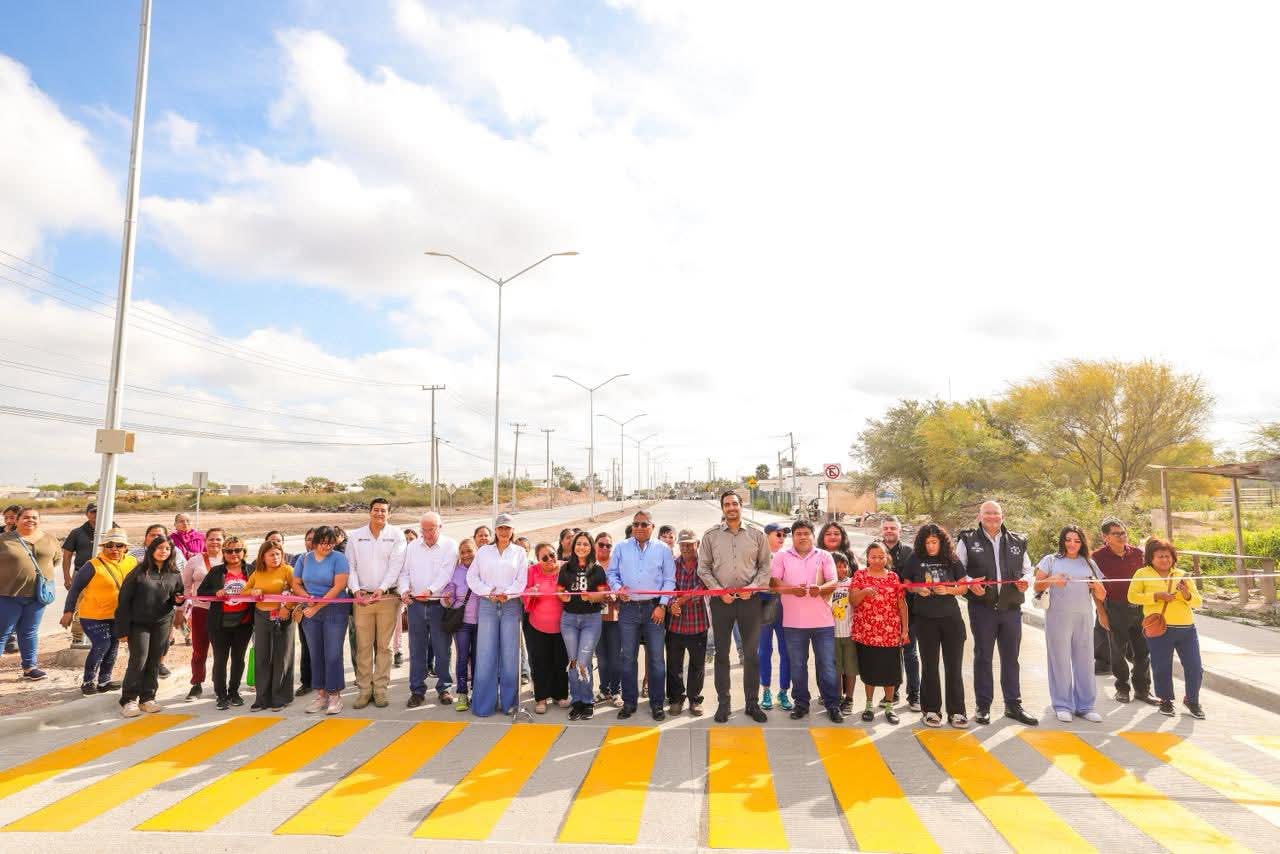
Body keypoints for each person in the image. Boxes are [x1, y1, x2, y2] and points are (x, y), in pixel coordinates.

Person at [956, 501, 1039, 727]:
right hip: (982, 609)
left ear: (1002, 516)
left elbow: (1028, 569)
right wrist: (971, 582)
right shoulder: (967, 540)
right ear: (980, 516)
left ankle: (1014, 705)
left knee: (1011, 658)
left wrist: (1026, 581)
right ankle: (983, 706)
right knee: (983, 657)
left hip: (1011, 608)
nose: (992, 517)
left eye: (996, 514)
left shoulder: (1017, 541)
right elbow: (958, 570)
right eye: (988, 513)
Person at [698, 490, 771, 724]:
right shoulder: (710, 537)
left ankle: (752, 703)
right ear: (722, 508)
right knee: (721, 655)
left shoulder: (756, 535)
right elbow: (704, 569)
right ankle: (724, 704)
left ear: (741, 506)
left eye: (735, 504)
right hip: (722, 602)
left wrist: (752, 588)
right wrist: (720, 591)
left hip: (750, 602)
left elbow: (765, 568)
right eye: (727, 504)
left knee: (751, 655)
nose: (731, 507)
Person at [769, 519, 843, 723]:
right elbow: (774, 582)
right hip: (793, 624)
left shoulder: (824, 555)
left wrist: (822, 589)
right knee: (798, 666)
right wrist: (791, 589)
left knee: (827, 665)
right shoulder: (782, 556)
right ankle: (801, 703)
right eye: (798, 533)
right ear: (793, 536)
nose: (802, 536)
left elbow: (834, 581)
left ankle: (832, 704)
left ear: (812, 535)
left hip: (823, 623)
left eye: (806, 533)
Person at [1034, 525, 1107, 723]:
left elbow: (1101, 595)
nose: (1072, 544)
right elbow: (1036, 585)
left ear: (1082, 542)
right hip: (1057, 617)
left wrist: (1097, 587)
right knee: (1060, 661)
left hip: (1083, 617)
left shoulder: (1089, 563)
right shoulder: (1050, 560)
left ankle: (1085, 706)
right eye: (1068, 539)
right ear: (1062, 541)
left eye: (1076, 540)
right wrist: (1052, 580)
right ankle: (1062, 704)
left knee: (1084, 660)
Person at [608, 509, 676, 721]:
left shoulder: (663, 549)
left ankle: (657, 703)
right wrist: (618, 587)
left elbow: (669, 580)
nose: (639, 528)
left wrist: (662, 605)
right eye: (636, 524)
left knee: (656, 658)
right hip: (628, 609)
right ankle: (629, 702)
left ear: (652, 527)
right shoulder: (621, 547)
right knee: (627, 657)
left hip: (653, 609)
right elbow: (612, 574)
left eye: (644, 524)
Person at [1128, 538, 1205, 719]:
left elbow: (1198, 602)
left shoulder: (1182, 574)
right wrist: (1156, 596)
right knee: (1162, 666)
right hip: (1159, 629)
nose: (1165, 560)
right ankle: (1165, 700)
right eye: (1160, 556)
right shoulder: (1142, 573)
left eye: (1168, 556)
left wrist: (1186, 595)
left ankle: (1192, 700)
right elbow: (1132, 596)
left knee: (1195, 667)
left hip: (1186, 629)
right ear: (1151, 558)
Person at [901, 524, 969, 728]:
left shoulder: (952, 559)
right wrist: (917, 589)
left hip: (951, 620)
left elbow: (964, 587)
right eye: (927, 542)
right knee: (930, 666)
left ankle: (957, 712)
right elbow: (905, 583)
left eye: (934, 542)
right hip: (925, 620)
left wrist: (948, 591)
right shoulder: (915, 559)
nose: (930, 546)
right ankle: (931, 710)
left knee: (953, 666)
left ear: (942, 542)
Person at [345, 498, 407, 709]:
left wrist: (382, 588)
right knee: (363, 646)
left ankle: (380, 690)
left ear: (389, 514)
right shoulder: (356, 536)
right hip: (362, 599)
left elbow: (396, 565)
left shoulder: (396, 535)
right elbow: (350, 567)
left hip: (387, 598)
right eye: (376, 510)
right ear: (369, 512)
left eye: (383, 511)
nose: (379, 513)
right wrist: (355, 590)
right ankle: (364, 690)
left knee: (384, 647)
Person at [114, 534, 184, 716]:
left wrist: (178, 600)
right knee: (139, 660)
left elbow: (177, 597)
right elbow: (123, 602)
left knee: (154, 660)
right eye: (160, 548)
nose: (163, 551)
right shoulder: (138, 572)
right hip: (139, 624)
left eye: (167, 549)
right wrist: (122, 629)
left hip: (161, 624)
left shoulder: (174, 574)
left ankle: (147, 698)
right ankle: (129, 700)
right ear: (151, 550)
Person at [62, 526, 134, 695]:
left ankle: (104, 681)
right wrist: (68, 612)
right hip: (93, 616)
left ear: (125, 547)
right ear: (103, 547)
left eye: (119, 545)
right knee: (102, 644)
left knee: (113, 647)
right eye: (109, 545)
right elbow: (75, 589)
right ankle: (88, 682)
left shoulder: (131, 562)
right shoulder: (92, 565)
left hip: (117, 616)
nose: (114, 549)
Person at [468, 514, 527, 717]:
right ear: (495, 530)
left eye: (507, 528)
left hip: (510, 605)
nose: (504, 532)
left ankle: (510, 703)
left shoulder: (519, 552)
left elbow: (522, 580)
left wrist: (507, 594)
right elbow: (472, 577)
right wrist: (489, 592)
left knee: (510, 656)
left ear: (512, 531)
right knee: (485, 655)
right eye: (500, 528)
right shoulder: (484, 551)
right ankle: (484, 705)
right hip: (487, 605)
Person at [1093, 519, 1157, 705]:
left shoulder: (1138, 554)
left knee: (1143, 651)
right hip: (1114, 608)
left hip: (1140, 608)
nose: (1122, 537)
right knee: (1118, 651)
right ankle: (1122, 688)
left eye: (1123, 533)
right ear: (1105, 537)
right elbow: (1093, 586)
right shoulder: (1097, 557)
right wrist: (1101, 612)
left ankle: (1143, 690)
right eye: (1116, 534)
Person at [398, 511, 458, 708]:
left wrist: (430, 590)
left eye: (430, 529)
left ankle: (444, 688)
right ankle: (417, 690)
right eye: (423, 530)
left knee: (442, 649)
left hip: (438, 606)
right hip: (415, 606)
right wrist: (405, 590)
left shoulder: (450, 546)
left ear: (440, 527)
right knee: (416, 650)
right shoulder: (412, 547)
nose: (426, 534)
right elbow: (404, 573)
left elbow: (446, 573)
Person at [291, 526, 351, 715]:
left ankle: (335, 695)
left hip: (334, 609)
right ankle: (321, 694)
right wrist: (307, 598)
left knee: (332, 653)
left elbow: (339, 586)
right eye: (323, 543)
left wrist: (316, 606)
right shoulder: (304, 558)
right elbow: (296, 583)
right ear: (315, 542)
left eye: (331, 543)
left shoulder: (339, 558)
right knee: (315, 653)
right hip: (311, 610)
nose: (327, 547)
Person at [850, 541, 908, 724]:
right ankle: (868, 706)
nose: (877, 560)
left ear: (887, 557)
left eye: (881, 556)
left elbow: (901, 604)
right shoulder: (859, 576)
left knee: (890, 672)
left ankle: (889, 707)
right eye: (873, 557)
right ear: (867, 558)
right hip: (867, 632)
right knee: (871, 671)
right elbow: (853, 601)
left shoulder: (893, 577)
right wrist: (865, 591)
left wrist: (905, 628)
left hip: (890, 633)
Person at [0, 507, 60, 680]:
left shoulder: (50, 539)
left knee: (29, 632)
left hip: (37, 596)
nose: (30, 520)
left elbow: (55, 560)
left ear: (39, 520)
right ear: (17, 520)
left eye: (34, 517)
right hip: (8, 594)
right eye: (25, 517)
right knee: (3, 632)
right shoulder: (4, 539)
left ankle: (30, 668)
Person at [197, 535, 255, 710]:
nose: (233, 554)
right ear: (224, 553)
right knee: (220, 660)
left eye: (237, 550)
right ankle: (221, 695)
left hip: (243, 623)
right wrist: (217, 591)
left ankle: (234, 692)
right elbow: (201, 592)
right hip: (219, 624)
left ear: (244, 552)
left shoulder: (251, 570)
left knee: (238, 659)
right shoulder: (216, 572)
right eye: (229, 551)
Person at [558, 531, 609, 721]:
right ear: (573, 547)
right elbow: (559, 591)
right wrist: (563, 596)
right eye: (578, 544)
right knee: (572, 661)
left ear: (591, 548)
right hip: (569, 619)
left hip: (591, 620)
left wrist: (591, 596)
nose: (581, 547)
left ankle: (588, 700)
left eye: (586, 544)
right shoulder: (565, 569)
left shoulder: (597, 569)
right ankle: (577, 700)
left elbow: (603, 594)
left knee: (583, 661)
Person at [244, 540, 296, 712]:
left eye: (278, 554)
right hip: (261, 617)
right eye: (271, 554)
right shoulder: (257, 573)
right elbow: (244, 592)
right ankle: (262, 698)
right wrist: (253, 591)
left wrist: (287, 608)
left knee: (282, 657)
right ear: (263, 557)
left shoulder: (288, 570)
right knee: (262, 657)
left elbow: (297, 591)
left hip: (283, 617)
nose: (275, 558)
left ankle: (280, 697)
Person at [130, 523, 186, 679]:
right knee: (140, 649)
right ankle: (136, 679)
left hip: (165, 608)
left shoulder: (175, 553)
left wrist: (180, 603)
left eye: (160, 535)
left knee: (164, 642)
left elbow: (181, 578)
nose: (156, 538)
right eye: (152, 535)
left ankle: (159, 664)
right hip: (140, 610)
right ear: (145, 537)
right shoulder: (134, 555)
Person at [665, 529, 709, 717]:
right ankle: (676, 699)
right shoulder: (672, 565)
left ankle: (694, 699)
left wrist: (681, 600)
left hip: (698, 623)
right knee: (674, 664)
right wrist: (670, 604)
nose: (686, 548)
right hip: (676, 625)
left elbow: (705, 586)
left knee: (697, 665)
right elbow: (666, 586)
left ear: (697, 544)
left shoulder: (704, 565)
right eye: (683, 544)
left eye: (690, 544)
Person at [524, 543, 569, 713]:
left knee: (560, 661)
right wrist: (531, 592)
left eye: (552, 555)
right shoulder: (532, 571)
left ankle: (560, 695)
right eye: (545, 558)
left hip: (563, 624)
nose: (550, 559)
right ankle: (541, 698)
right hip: (539, 624)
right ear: (538, 560)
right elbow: (525, 592)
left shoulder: (565, 567)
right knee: (540, 662)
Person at [881, 516, 920, 712]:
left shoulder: (910, 553)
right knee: (890, 656)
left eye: (893, 528)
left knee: (910, 654)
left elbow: (914, 581)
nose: (889, 531)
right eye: (886, 528)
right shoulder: (876, 551)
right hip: (884, 614)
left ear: (899, 530)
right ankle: (892, 693)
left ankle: (914, 695)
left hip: (909, 612)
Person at [181, 527, 223, 700]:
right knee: (199, 650)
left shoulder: (231, 560)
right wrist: (183, 609)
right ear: (205, 541)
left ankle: (219, 685)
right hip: (200, 610)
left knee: (221, 650)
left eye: (218, 539)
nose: (215, 542)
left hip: (223, 612)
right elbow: (186, 586)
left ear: (224, 541)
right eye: (211, 539)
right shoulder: (195, 560)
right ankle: (197, 684)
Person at [757, 522, 793, 713]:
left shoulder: (788, 555)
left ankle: (784, 691)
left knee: (786, 650)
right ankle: (766, 691)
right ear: (767, 536)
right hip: (763, 602)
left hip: (784, 603)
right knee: (764, 650)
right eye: (778, 534)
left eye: (784, 535)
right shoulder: (757, 554)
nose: (781, 538)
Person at [442, 538, 479, 711]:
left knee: (480, 659)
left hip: (482, 623)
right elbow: (447, 596)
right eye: (462, 552)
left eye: (469, 551)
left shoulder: (483, 569)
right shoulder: (455, 572)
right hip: (462, 623)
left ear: (476, 551)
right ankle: (462, 694)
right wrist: (446, 598)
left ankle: (478, 692)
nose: (466, 555)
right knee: (463, 657)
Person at [60, 502, 96, 649]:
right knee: (78, 607)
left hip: (106, 574)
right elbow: (67, 556)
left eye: (100, 511)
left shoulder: (113, 529)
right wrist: (67, 577)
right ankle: (77, 637)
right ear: (86, 514)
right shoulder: (77, 532)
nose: (96, 514)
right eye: (93, 511)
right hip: (81, 574)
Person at [593, 533, 622, 706]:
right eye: (601, 544)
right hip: (594, 618)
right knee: (601, 657)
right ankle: (604, 690)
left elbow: (624, 585)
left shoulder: (617, 564)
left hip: (614, 617)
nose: (604, 548)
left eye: (608, 546)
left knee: (615, 657)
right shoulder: (589, 564)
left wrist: (615, 595)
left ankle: (616, 691)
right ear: (595, 545)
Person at [829, 551, 857, 715]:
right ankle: (838, 697)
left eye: (844, 566)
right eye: (837, 567)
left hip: (850, 633)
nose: (842, 569)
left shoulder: (852, 583)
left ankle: (849, 699)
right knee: (837, 669)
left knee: (850, 668)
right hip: (832, 634)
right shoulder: (827, 585)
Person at [292, 528, 315, 697]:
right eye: (308, 538)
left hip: (325, 608)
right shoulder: (299, 559)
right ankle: (306, 682)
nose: (311, 542)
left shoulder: (331, 559)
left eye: (315, 539)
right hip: (304, 607)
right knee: (306, 646)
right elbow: (294, 584)